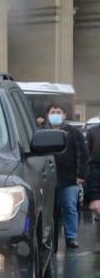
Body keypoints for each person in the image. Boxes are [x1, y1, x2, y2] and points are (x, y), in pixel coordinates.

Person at [47, 103, 87, 250]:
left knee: (69, 207)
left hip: (69, 179)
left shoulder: (73, 133)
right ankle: (49, 237)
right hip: (47, 178)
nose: (55, 114)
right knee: (49, 210)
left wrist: (81, 175)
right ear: (48, 114)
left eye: (58, 112)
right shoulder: (42, 132)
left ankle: (71, 237)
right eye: (52, 112)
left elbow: (82, 154)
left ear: (64, 115)